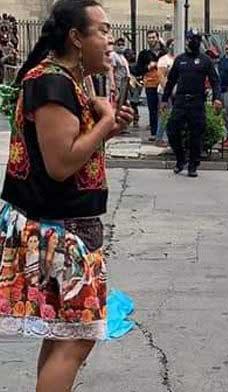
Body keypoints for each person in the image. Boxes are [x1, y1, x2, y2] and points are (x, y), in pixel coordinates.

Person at [0, 1, 134, 391]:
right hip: (60, 231)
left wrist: (107, 127)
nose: (110, 40)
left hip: (68, 226)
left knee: (64, 335)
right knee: (75, 338)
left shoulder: (72, 81)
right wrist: (105, 123)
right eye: (103, 31)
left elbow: (76, 147)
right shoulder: (52, 82)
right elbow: (61, 164)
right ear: (76, 38)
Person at [161, 29, 222, 178]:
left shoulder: (205, 60)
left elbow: (215, 81)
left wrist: (217, 98)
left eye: (196, 39)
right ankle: (180, 160)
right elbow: (171, 81)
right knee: (172, 130)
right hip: (181, 101)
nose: (193, 42)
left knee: (197, 135)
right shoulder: (180, 59)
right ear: (187, 40)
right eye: (191, 39)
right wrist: (164, 99)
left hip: (197, 102)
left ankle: (193, 165)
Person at [134, 30, 166, 141]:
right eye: (149, 38)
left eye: (153, 37)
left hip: (163, 85)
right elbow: (137, 70)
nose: (151, 40)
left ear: (158, 38)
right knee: (152, 109)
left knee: (163, 108)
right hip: (151, 84)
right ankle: (154, 132)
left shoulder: (164, 53)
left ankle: (163, 133)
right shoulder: (144, 54)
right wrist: (148, 67)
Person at [155, 38, 175, 147]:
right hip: (164, 92)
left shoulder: (179, 58)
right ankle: (159, 138)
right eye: (171, 44)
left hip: (176, 92)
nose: (173, 46)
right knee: (164, 115)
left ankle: (169, 138)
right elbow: (161, 76)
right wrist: (167, 91)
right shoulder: (163, 59)